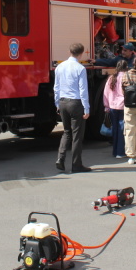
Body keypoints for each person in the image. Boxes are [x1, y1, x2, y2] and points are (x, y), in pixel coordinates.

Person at [54, 43, 91, 173]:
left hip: (63, 102)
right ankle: (76, 164)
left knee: (66, 132)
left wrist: (57, 104)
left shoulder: (60, 66)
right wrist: (86, 109)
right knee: (77, 135)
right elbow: (83, 90)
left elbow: (56, 87)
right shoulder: (80, 68)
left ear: (69, 51)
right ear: (81, 54)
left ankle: (60, 158)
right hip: (75, 103)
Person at [103, 60, 129, 158]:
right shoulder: (126, 77)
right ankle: (120, 151)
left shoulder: (111, 78)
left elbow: (106, 93)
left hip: (112, 106)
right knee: (122, 129)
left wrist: (106, 106)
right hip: (123, 106)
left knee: (115, 128)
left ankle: (115, 151)